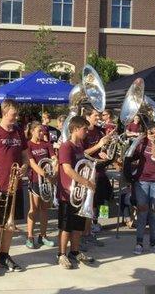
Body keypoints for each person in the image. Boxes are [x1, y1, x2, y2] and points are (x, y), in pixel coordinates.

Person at [0, 99, 29, 275]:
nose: (16, 117)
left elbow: (25, 154)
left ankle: (4, 255)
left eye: (17, 114)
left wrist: (25, 166)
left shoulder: (18, 132)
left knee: (10, 225)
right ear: (4, 113)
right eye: (13, 114)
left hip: (14, 186)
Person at [57, 115, 95, 269]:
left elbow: (84, 166)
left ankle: (74, 251)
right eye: (84, 129)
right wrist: (86, 182)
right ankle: (61, 254)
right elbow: (67, 169)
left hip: (79, 194)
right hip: (68, 193)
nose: (87, 131)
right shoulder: (66, 147)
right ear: (74, 129)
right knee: (66, 226)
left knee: (78, 225)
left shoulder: (79, 147)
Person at [129, 121, 155, 256]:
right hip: (142, 181)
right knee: (142, 211)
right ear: (148, 132)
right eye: (154, 132)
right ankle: (139, 243)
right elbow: (130, 156)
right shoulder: (142, 142)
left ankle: (153, 242)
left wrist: (153, 142)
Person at [82, 108, 112, 246]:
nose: (98, 118)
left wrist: (103, 151)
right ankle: (84, 234)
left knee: (100, 201)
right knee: (87, 205)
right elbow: (82, 152)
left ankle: (91, 230)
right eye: (96, 115)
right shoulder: (83, 131)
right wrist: (99, 145)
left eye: (100, 115)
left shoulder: (99, 131)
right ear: (87, 116)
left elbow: (99, 151)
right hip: (86, 173)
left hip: (99, 172)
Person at [25, 122, 57, 249]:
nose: (42, 133)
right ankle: (30, 237)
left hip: (46, 182)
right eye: (39, 131)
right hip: (35, 180)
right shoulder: (28, 145)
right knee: (34, 209)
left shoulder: (46, 144)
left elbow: (54, 158)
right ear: (32, 131)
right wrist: (46, 175)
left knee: (44, 210)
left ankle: (43, 236)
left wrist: (54, 167)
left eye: (43, 131)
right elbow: (32, 163)